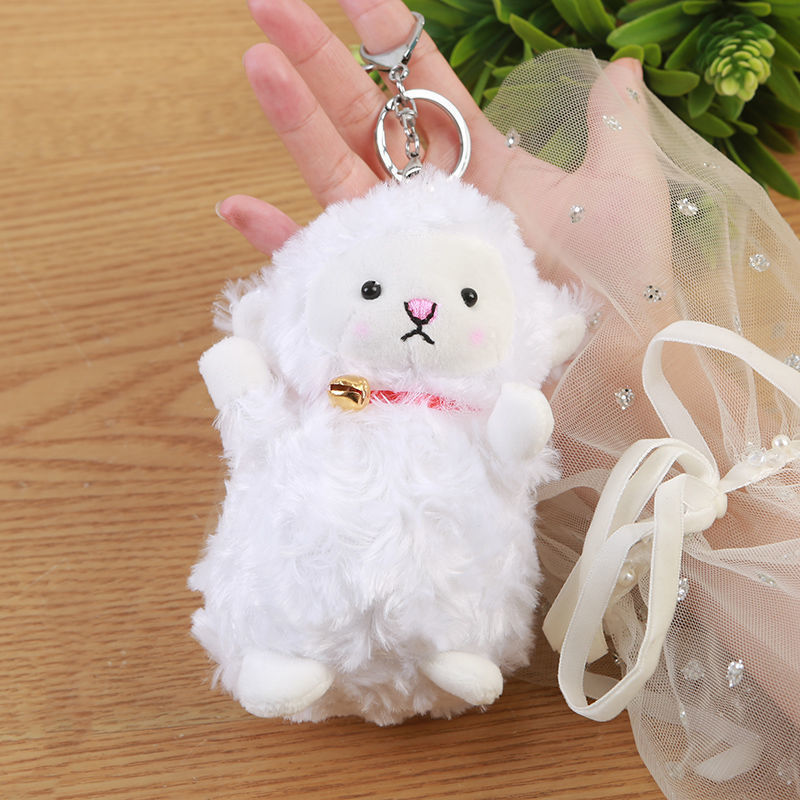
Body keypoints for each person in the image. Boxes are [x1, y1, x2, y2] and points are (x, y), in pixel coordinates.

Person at [212, 1, 800, 798]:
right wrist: (264, 384)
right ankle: (286, 653)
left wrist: (594, 380)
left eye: (460, 297)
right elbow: (288, 415)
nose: (421, 311)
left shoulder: (475, 398)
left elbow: (511, 441)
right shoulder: (342, 390)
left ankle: (454, 647)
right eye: (376, 291)